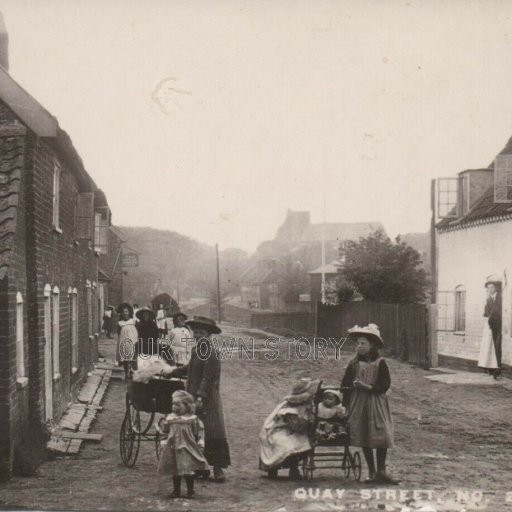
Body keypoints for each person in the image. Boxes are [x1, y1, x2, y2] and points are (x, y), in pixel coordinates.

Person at [166, 316, 230, 483]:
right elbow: (189, 369)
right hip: (193, 398)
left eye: (201, 333)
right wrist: (172, 372)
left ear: (209, 335)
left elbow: (209, 378)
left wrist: (200, 397)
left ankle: (218, 470)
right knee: (195, 432)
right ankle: (200, 468)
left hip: (207, 400)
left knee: (212, 432)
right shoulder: (196, 350)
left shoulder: (211, 352)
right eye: (195, 332)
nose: (197, 335)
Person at [341, 324, 398, 485]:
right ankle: (372, 472)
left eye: (363, 343)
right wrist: (345, 405)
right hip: (359, 403)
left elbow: (385, 385)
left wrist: (367, 387)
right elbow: (345, 384)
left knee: (381, 434)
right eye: (358, 343)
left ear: (372, 345)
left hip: (376, 402)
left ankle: (381, 471)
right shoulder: (353, 364)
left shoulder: (381, 363)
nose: (359, 346)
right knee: (364, 434)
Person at [259, 378, 318, 480]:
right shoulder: (289, 409)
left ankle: (293, 468)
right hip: (278, 430)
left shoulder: (306, 407)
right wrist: (308, 421)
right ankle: (274, 468)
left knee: (305, 443)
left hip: (294, 431)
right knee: (288, 445)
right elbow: (296, 426)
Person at [157, 390, 209, 499]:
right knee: (176, 470)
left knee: (188, 469)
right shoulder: (170, 418)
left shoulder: (192, 419)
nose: (174, 407)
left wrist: (200, 442)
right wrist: (163, 441)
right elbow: (164, 431)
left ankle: (191, 491)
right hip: (173, 447)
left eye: (177, 404)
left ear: (186, 405)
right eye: (173, 404)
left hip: (188, 447)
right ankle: (176, 491)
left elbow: (199, 431)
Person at [478, 278, 502, 379]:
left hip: (498, 325)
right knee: (489, 344)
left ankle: (496, 366)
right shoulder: (489, 299)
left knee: (496, 345)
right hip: (490, 325)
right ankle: (490, 366)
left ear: (496, 288)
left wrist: (491, 316)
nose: (490, 289)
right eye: (488, 288)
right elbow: (486, 312)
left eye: (492, 287)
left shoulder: (500, 298)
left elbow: (497, 311)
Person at [116, 303, 138, 379]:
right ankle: (126, 373)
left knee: (132, 356)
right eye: (123, 312)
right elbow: (118, 333)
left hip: (132, 339)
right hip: (124, 340)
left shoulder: (133, 321)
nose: (125, 313)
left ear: (129, 312)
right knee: (125, 357)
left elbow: (137, 331)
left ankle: (132, 372)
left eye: (126, 311)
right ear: (121, 313)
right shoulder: (120, 323)